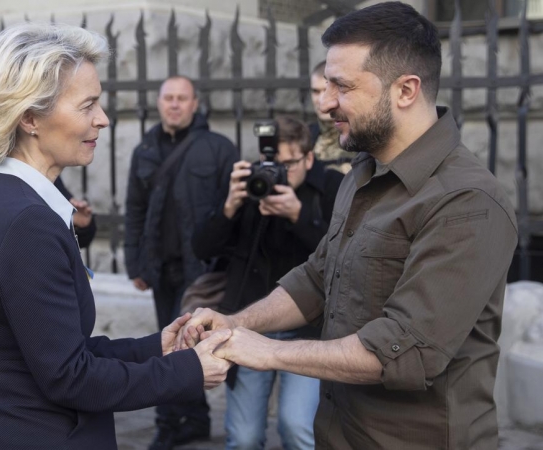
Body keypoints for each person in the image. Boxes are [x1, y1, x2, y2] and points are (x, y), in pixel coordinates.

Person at [179, 2, 518, 449]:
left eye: (341, 86)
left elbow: (402, 350)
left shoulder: (467, 201)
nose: (325, 103)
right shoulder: (362, 173)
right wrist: (235, 323)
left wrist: (268, 352)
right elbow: (318, 279)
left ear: (405, 90)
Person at [0, 23, 232, 449]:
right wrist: (189, 371)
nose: (102, 120)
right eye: (87, 105)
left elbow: (59, 350)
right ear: (30, 117)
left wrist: (154, 348)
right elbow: (70, 378)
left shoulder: (15, 199)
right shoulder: (26, 223)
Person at [192, 115, 343, 450]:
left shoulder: (330, 187)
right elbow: (202, 248)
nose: (279, 173)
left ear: (308, 158)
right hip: (250, 323)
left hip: (308, 328)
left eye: (289, 164)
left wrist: (297, 215)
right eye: (272, 163)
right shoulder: (250, 186)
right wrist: (231, 204)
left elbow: (341, 256)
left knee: (297, 428)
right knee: (243, 437)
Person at [124, 75, 238, 449]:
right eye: (168, 97)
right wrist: (135, 263)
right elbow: (135, 210)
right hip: (160, 269)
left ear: (195, 104)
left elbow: (233, 214)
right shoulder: (145, 149)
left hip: (200, 273)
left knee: (185, 349)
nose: (174, 104)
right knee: (168, 346)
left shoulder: (219, 148)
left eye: (182, 98)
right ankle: (186, 421)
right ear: (159, 102)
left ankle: (174, 423)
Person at [309, 61, 351, 174]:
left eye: (326, 90)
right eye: (315, 91)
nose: (321, 99)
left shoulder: (358, 137)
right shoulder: (304, 136)